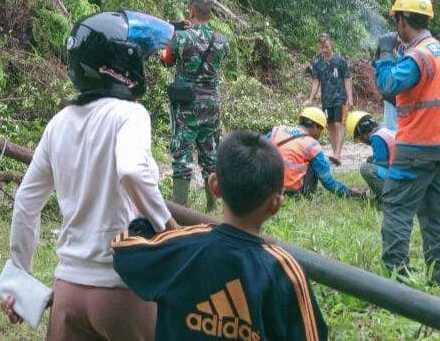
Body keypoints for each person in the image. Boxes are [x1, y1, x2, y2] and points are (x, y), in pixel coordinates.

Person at [2, 10, 176, 340]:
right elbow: (131, 170)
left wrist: (20, 277)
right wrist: (169, 228)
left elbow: (26, 202)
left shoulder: (60, 122)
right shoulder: (130, 115)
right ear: (124, 64)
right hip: (120, 287)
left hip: (68, 290)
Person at [112, 130, 329, 341]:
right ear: (275, 205)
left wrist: (144, 224)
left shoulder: (181, 247)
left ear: (214, 186)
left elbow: (124, 250)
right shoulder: (284, 270)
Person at [373, 0, 440, 287]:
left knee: (397, 208)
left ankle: (396, 278)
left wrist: (384, 54)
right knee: (435, 216)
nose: (396, 28)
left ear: (403, 21)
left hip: (417, 145)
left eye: (397, 20)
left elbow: (387, 84)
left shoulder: (417, 56)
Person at [160, 0, 228, 211]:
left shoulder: (181, 38)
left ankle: (180, 208)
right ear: (210, 15)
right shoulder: (222, 40)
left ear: (191, 13)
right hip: (212, 104)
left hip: (188, 104)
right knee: (210, 154)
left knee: (182, 153)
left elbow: (166, 58)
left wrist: (172, 36)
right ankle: (212, 207)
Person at [267, 107, 361, 198]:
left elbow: (258, 148)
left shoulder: (278, 130)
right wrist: (349, 192)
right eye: (321, 130)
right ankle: (308, 193)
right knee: (315, 163)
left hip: (269, 188)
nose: (319, 134)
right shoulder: (312, 145)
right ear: (316, 127)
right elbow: (327, 181)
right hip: (291, 192)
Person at [306, 33, 353, 165]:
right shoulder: (317, 63)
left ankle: (338, 153)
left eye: (326, 46)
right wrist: (311, 99)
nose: (325, 50)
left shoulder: (340, 60)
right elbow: (316, 81)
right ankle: (334, 153)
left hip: (340, 97)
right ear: (319, 48)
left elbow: (347, 79)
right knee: (331, 125)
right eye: (322, 48)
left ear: (331, 44)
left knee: (339, 124)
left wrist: (350, 98)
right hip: (326, 99)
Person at [346, 110, 396, 202]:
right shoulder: (384, 132)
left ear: (361, 134)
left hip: (400, 179)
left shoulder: (377, 138)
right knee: (370, 160)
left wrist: (369, 192)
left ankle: (389, 199)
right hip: (404, 173)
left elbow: (381, 164)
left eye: (359, 139)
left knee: (366, 168)